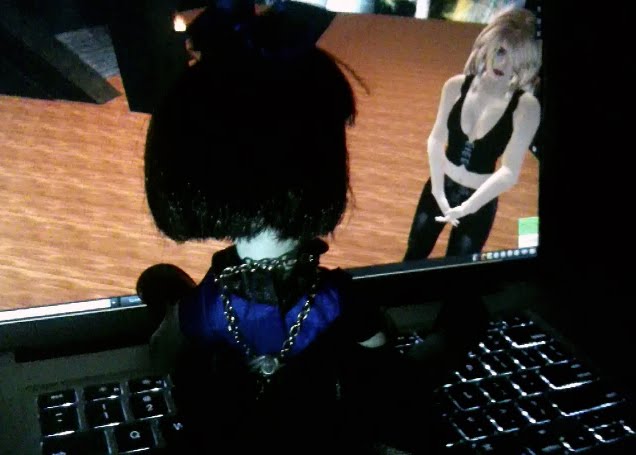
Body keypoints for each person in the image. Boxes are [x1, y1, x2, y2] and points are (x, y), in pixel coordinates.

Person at [137, 1, 439, 453]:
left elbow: (161, 351)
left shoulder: (210, 306)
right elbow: (377, 342)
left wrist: (173, 316)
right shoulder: (332, 299)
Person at [403, 6, 541, 261]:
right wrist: (438, 191)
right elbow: (436, 138)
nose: (503, 64)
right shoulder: (455, 86)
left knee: (458, 273)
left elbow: (510, 172)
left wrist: (468, 207)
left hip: (480, 202)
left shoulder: (526, 107)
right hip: (438, 187)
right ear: (488, 44)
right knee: (412, 258)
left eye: (515, 59)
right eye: (500, 51)